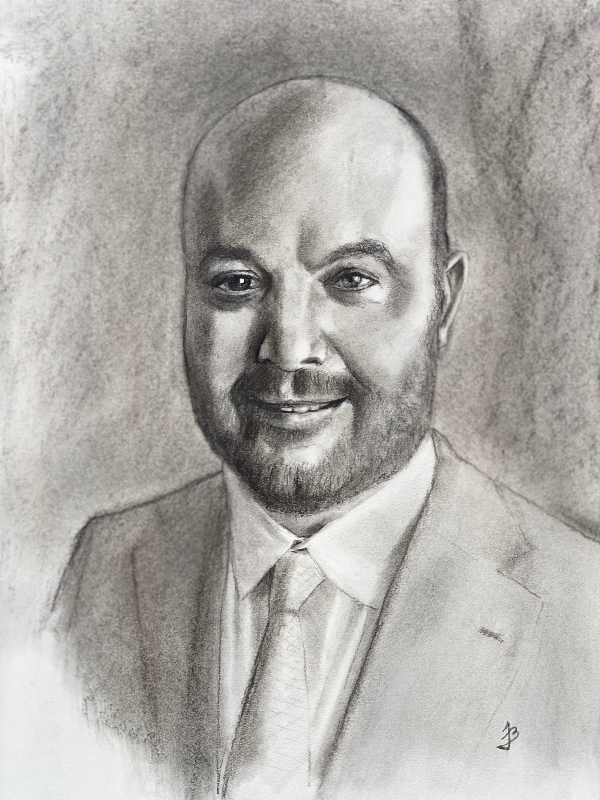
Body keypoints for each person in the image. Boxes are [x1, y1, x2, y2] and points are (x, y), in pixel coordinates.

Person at [52, 78, 600, 799]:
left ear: (443, 303)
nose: (289, 349)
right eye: (237, 284)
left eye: (350, 280)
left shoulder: (581, 611)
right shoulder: (105, 571)